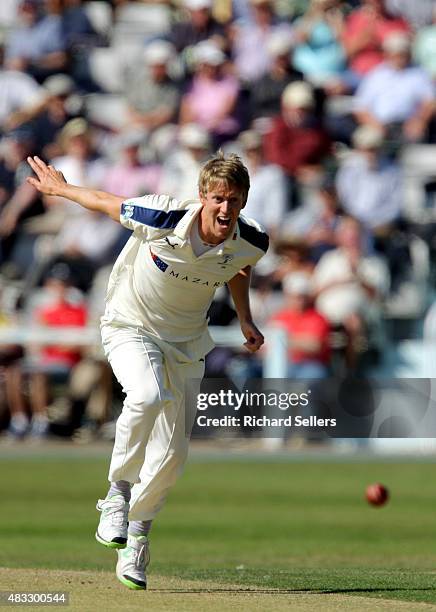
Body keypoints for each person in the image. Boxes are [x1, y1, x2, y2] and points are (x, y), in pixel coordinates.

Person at [26, 151, 268, 590]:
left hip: (187, 342)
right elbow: (103, 200)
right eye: (217, 198)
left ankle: (137, 537)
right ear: (202, 196)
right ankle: (117, 494)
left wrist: (246, 318)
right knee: (147, 395)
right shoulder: (161, 214)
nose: (225, 209)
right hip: (129, 325)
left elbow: (238, 267)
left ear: (245, 200)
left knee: (173, 457)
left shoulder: (252, 239)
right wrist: (61, 189)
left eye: (234, 200)